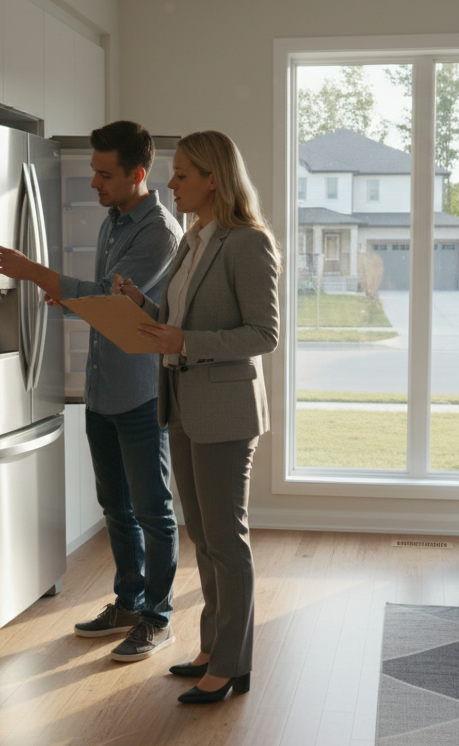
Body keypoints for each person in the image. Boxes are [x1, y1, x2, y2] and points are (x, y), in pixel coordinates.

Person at [0, 121, 182, 662]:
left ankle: (158, 617)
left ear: (138, 175)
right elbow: (106, 298)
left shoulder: (159, 231)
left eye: (104, 173)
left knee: (152, 509)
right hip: (101, 390)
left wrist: (36, 274)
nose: (94, 183)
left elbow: (108, 297)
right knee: (115, 505)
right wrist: (72, 299)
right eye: (93, 171)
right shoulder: (114, 221)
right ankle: (127, 601)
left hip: (139, 391)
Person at [113, 130, 280, 703]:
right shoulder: (192, 240)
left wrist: (184, 339)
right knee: (204, 538)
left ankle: (232, 665)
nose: (171, 182)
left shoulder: (247, 243)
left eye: (182, 174)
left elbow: (265, 334)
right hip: (182, 402)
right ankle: (213, 647)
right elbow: (179, 320)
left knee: (226, 541)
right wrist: (144, 307)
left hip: (226, 411)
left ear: (213, 179)